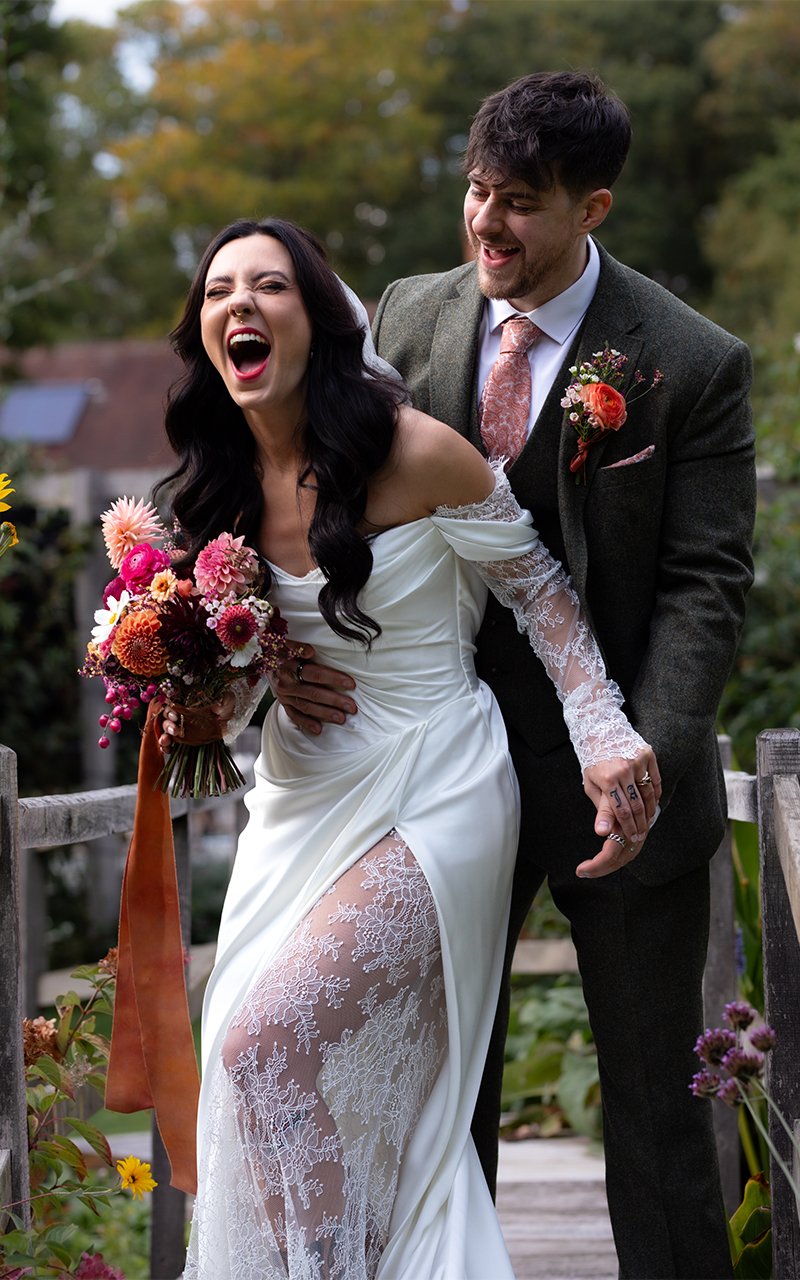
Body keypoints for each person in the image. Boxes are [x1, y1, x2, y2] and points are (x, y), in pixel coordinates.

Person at [274, 73, 756, 1278]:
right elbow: (318, 497)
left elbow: (705, 582)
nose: (485, 225)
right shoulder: (404, 313)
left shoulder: (688, 362)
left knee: (657, 1113)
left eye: (521, 204)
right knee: (435, 1102)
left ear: (590, 206)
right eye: (476, 191)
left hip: (623, 794)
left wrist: (639, 748)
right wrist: (273, 640)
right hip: (437, 776)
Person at [157, 213, 661, 1279]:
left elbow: (541, 601)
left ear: (320, 319)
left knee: (265, 1041)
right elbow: (222, 686)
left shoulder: (414, 450)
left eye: (268, 287)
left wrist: (605, 738)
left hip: (434, 781)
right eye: (216, 293)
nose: (236, 305)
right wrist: (238, 688)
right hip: (297, 800)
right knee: (246, 1061)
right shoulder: (208, 494)